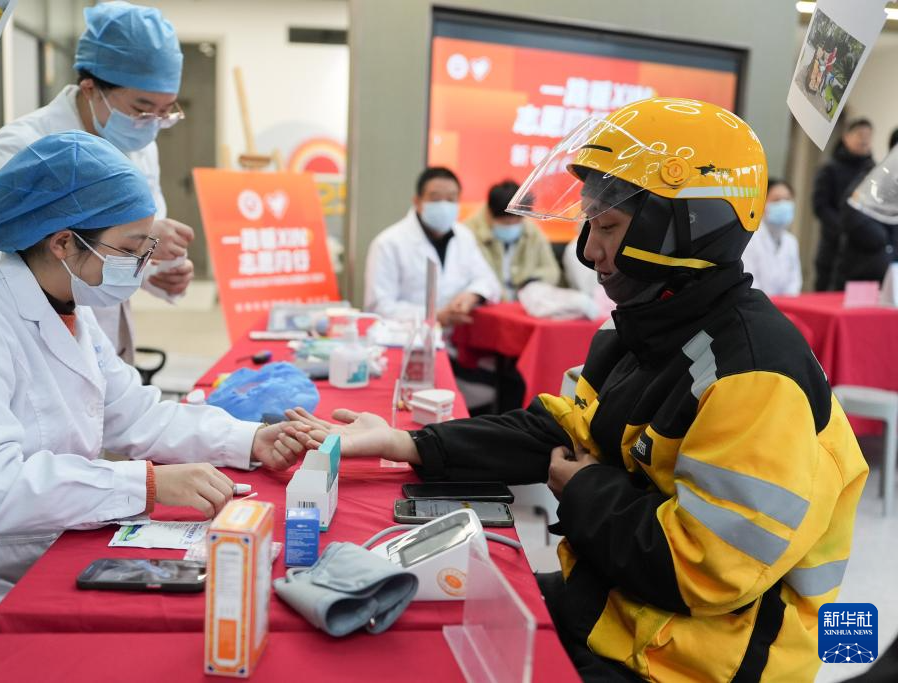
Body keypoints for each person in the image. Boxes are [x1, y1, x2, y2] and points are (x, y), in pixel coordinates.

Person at [287, 99, 867, 681]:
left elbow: (701, 570)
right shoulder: (646, 328)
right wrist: (406, 442)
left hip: (693, 662)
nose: (589, 250)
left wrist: (584, 486)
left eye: (607, 227)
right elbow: (559, 429)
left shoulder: (753, 377)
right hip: (620, 610)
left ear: (684, 228)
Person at [0, 132, 313, 682]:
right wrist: (147, 484)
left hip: (36, 558)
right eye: (130, 250)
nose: (141, 265)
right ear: (63, 243)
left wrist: (248, 439)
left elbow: (135, 414)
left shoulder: (67, 309)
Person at [0, 1, 195, 363]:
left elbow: (120, 254)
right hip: (40, 342)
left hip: (109, 342)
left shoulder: (140, 146)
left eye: (165, 111)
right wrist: (130, 238)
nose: (153, 123)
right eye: (142, 109)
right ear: (91, 88)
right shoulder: (23, 146)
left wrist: (152, 270)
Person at [364, 167, 500, 326]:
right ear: (417, 202)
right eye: (435, 199)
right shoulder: (388, 243)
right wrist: (434, 316)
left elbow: (489, 281)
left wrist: (472, 295)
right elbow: (379, 306)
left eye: (451, 199)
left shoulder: (464, 236)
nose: (444, 205)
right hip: (408, 335)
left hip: (458, 335)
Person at [465, 180, 560, 301]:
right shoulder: (468, 234)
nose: (512, 226)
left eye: (517, 221)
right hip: (487, 303)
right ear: (489, 213)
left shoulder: (532, 232)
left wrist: (532, 282)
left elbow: (551, 270)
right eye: (506, 223)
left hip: (523, 303)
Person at [813, 117, 875, 291]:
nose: (864, 140)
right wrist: (845, 228)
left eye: (868, 136)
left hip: (862, 253)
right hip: (833, 247)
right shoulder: (830, 169)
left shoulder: (873, 170)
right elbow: (820, 206)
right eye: (860, 134)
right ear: (846, 137)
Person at [837, 146, 898, 286]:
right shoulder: (873, 178)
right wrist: (884, 239)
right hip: (863, 276)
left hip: (891, 279)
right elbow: (851, 211)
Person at [741, 178, 802, 296]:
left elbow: (794, 282)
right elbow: (749, 281)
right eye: (777, 200)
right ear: (762, 203)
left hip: (786, 305)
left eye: (787, 199)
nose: (783, 204)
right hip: (757, 304)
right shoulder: (750, 239)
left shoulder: (791, 242)